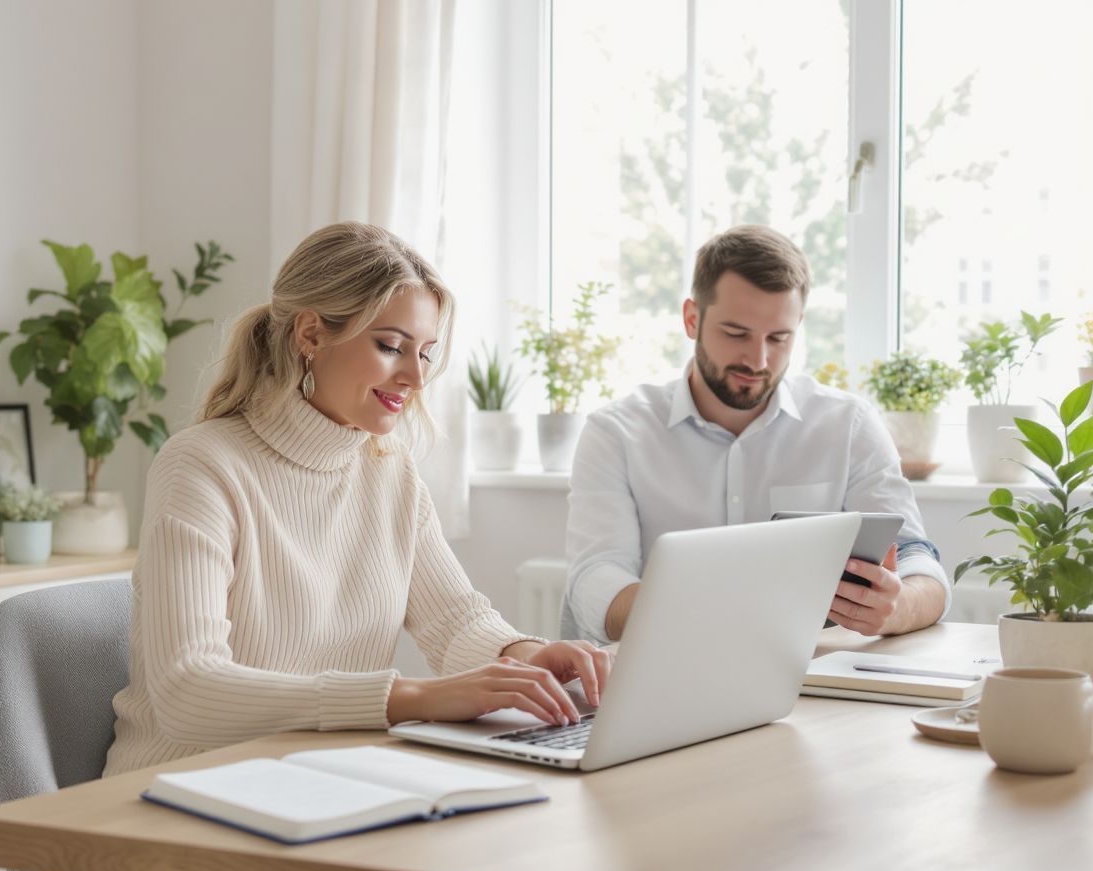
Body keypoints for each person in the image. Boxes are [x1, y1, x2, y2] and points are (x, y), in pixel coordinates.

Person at [104, 222, 609, 777]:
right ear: (311, 335)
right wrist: (412, 699)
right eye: (392, 346)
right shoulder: (202, 464)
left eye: (426, 353)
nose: (415, 377)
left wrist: (525, 657)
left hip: (321, 782)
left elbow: (455, 621)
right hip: (178, 794)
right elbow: (188, 690)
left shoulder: (390, 471)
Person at [562, 224, 950, 646]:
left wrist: (899, 606)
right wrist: (713, 616)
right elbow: (595, 580)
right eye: (736, 334)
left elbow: (917, 559)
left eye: (779, 338)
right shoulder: (616, 433)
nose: (758, 359)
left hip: (815, 680)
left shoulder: (848, 425)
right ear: (692, 319)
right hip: (670, 668)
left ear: (799, 324)